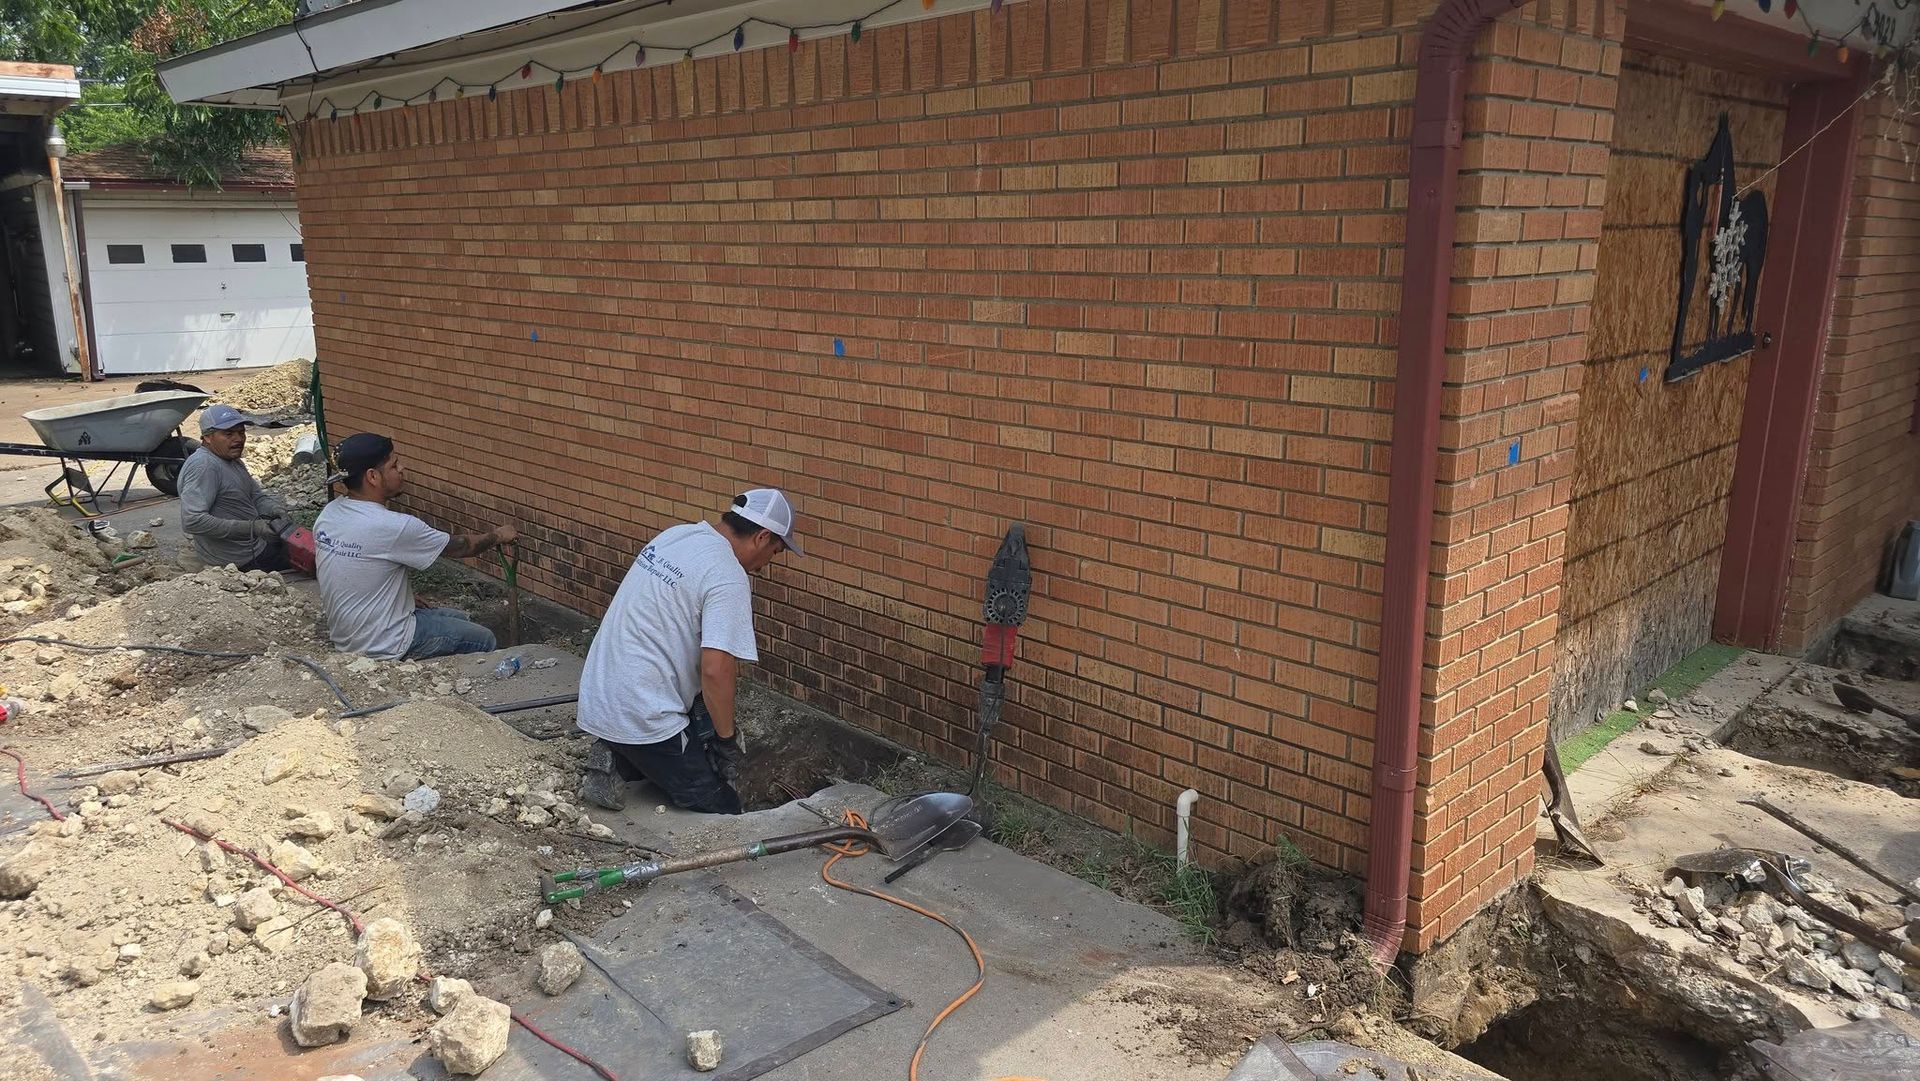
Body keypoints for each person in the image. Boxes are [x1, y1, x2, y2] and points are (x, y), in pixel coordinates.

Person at [576, 489, 802, 814]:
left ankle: (615, 754)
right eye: (775, 552)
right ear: (762, 537)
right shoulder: (727, 575)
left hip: (600, 694)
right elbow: (715, 670)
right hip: (642, 710)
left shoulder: (677, 536)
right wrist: (726, 741)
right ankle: (625, 754)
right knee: (720, 803)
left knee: (695, 728)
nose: (766, 566)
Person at [313, 432, 516, 660]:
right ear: (373, 476)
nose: (402, 468)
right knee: (484, 638)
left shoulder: (329, 515)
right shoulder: (392, 526)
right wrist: (499, 535)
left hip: (349, 636)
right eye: (394, 465)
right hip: (385, 643)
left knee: (460, 618)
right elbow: (461, 547)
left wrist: (397, 598)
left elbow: (355, 570)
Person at [178, 404, 294, 572]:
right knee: (313, 559)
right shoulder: (204, 466)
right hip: (237, 559)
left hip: (255, 546)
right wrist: (253, 528)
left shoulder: (231, 460)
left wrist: (275, 510)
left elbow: (255, 496)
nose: (238, 439)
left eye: (241, 432)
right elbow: (193, 521)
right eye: (229, 434)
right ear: (208, 437)